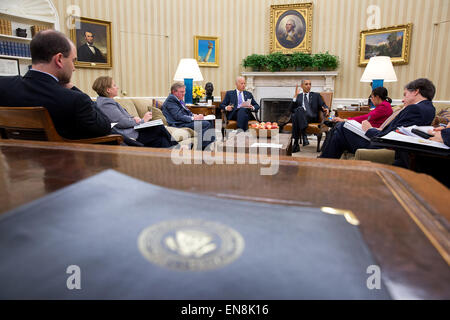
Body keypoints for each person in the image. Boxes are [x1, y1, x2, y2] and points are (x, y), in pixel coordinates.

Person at [0, 30, 111, 140]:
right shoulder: (75, 100)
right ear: (59, 59)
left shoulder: (4, 86)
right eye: (73, 61)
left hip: (15, 155)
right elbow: (104, 127)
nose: (73, 68)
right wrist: (72, 88)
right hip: (62, 157)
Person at [319, 78, 437, 166]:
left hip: (382, 144)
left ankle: (324, 164)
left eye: (405, 95)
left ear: (416, 91)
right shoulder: (428, 108)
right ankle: (325, 162)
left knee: (341, 128)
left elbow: (394, 136)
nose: (402, 99)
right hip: (384, 137)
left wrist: (370, 129)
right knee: (340, 128)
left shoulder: (415, 108)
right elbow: (400, 130)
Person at [92, 76, 177, 148]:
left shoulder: (107, 101)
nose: (117, 87)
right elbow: (121, 122)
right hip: (128, 135)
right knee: (158, 127)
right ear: (108, 90)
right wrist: (142, 121)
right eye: (114, 85)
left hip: (133, 131)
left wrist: (134, 119)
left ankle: (172, 153)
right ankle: (177, 148)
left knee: (160, 139)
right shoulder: (106, 104)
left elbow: (125, 118)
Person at [162, 82, 215, 149]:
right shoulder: (171, 100)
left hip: (184, 121)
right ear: (174, 92)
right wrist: (193, 118)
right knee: (205, 124)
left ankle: (210, 146)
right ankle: (202, 148)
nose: (184, 94)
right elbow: (178, 116)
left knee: (210, 121)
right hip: (178, 124)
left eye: (184, 91)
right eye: (181, 92)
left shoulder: (178, 100)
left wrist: (196, 115)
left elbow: (187, 112)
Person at [289, 79, 329, 152]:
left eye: (310, 84)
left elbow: (323, 105)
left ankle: (297, 142)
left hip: (312, 117)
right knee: (299, 110)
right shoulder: (299, 96)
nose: (308, 86)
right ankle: (302, 139)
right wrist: (295, 97)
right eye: (306, 84)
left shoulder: (316, 95)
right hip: (301, 117)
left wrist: (326, 109)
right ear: (302, 86)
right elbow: (291, 109)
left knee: (297, 114)